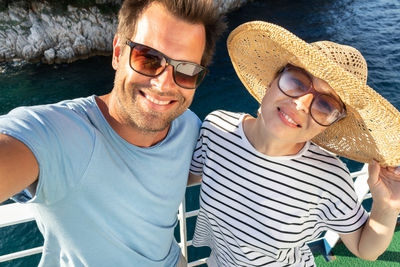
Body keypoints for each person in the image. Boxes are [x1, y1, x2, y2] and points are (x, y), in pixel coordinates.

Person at [0, 0, 225, 266]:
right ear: (118, 53)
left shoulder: (188, 127)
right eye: (149, 58)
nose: (164, 84)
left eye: (186, 71)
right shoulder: (59, 133)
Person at [189, 21, 400, 266]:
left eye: (325, 105)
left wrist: (387, 205)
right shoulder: (216, 129)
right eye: (296, 82)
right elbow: (183, 177)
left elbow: (366, 250)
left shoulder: (328, 178)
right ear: (272, 81)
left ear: (329, 125)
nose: (301, 103)